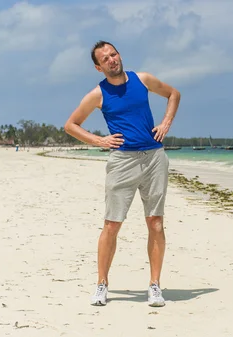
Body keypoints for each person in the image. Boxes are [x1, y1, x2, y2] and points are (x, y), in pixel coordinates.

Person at [63, 40, 181, 307]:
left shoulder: (143, 79)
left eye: (113, 54)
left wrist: (166, 123)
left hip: (154, 158)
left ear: (119, 55)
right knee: (112, 224)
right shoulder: (98, 94)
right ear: (98, 67)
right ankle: (102, 284)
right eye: (105, 59)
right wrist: (100, 141)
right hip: (122, 162)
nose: (112, 60)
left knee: (156, 223)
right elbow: (71, 125)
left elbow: (174, 94)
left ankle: (154, 286)